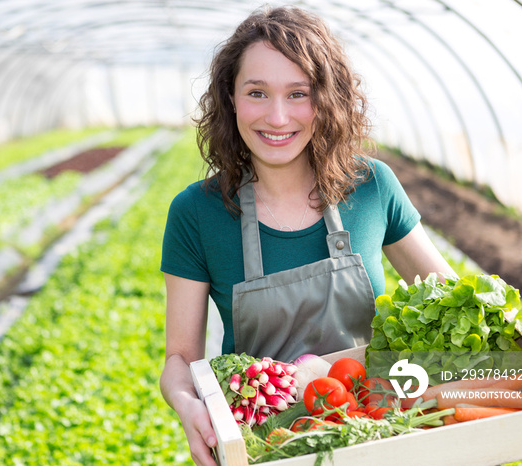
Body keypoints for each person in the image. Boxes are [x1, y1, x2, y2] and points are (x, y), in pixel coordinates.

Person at [159, 5, 455, 465]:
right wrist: (187, 404)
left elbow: (450, 297)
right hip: (266, 445)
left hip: (382, 430)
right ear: (231, 98)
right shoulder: (196, 213)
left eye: (298, 93)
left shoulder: (371, 186)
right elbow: (179, 357)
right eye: (257, 92)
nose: (277, 118)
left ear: (326, 99)